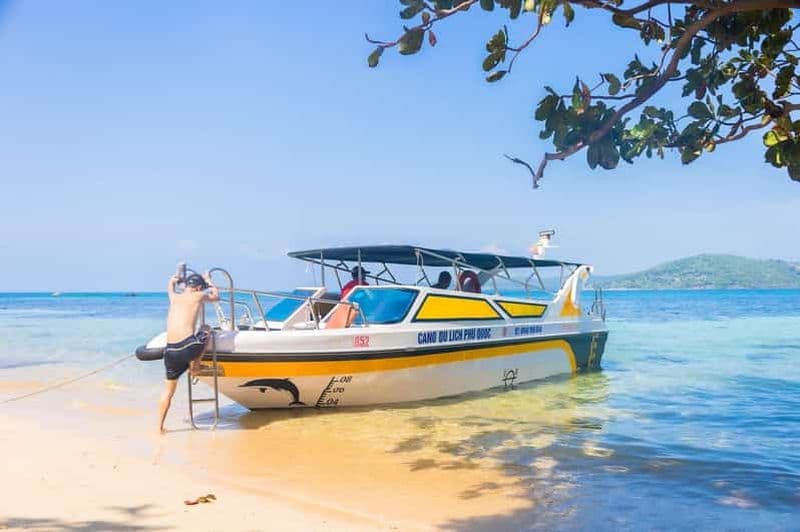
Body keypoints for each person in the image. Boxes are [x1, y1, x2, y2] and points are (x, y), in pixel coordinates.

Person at [158, 272, 220, 434]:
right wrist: (209, 281)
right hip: (187, 347)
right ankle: (195, 367)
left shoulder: (174, 297)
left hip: (170, 350)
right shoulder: (199, 295)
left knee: (168, 393)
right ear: (198, 287)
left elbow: (170, 286)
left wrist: (173, 279)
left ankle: (159, 427)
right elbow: (215, 296)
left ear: (186, 286)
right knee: (207, 329)